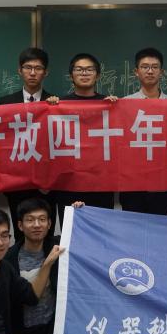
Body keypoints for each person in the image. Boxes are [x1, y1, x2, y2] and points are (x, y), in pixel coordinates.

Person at [0, 48, 59, 239]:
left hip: (47, 184)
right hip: (17, 183)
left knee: (46, 236)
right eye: (28, 68)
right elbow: (0, 144)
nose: (32, 73)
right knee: (20, 236)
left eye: (38, 68)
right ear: (20, 70)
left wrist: (56, 110)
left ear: (46, 72)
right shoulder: (5, 103)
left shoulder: (56, 103)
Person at [53, 53, 117, 219]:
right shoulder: (59, 105)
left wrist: (117, 108)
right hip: (69, 185)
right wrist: (50, 107)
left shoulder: (109, 103)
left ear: (98, 75)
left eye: (89, 69)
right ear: (71, 75)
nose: (84, 73)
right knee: (70, 232)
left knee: (102, 232)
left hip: (101, 186)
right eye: (79, 69)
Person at [4, 198, 59, 334]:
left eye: (42, 219)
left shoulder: (58, 248)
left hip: (52, 331)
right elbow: (6, 304)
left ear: (49, 224)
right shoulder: (9, 259)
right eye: (30, 220)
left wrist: (79, 211)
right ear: (20, 225)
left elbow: (84, 237)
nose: (37, 225)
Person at [120, 47, 167, 216]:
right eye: (144, 67)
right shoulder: (123, 104)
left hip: (163, 184)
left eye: (154, 67)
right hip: (132, 185)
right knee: (132, 230)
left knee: (160, 230)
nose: (150, 71)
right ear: (136, 72)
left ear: (162, 72)